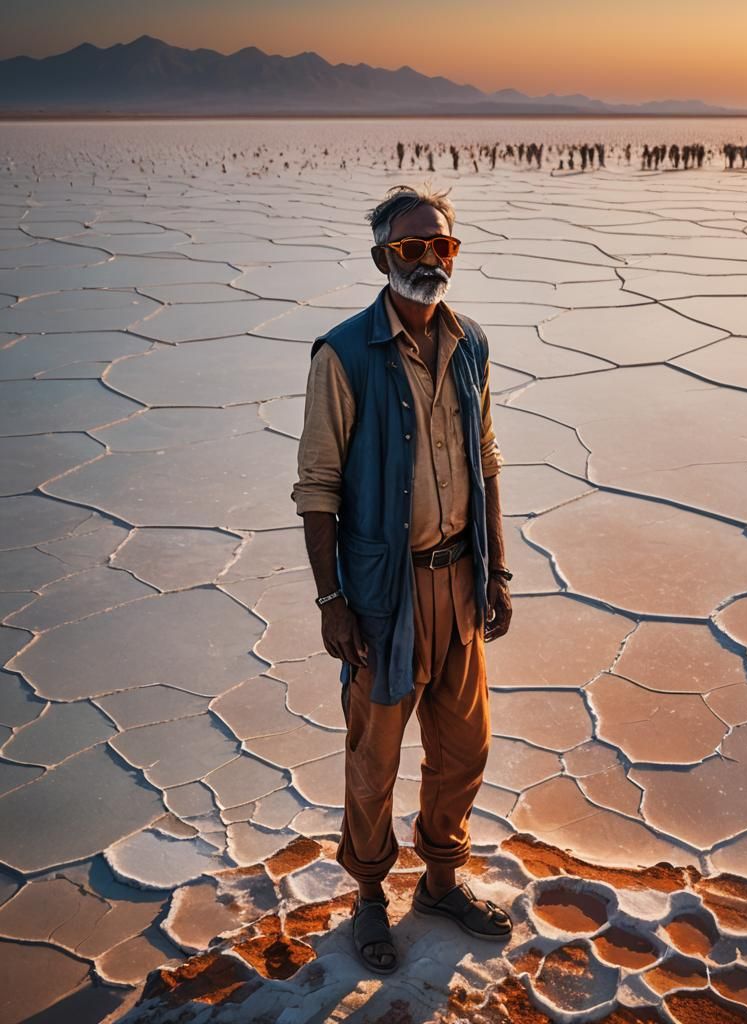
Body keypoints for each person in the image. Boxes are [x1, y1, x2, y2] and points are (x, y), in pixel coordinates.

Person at [290, 182, 514, 974]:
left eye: (442, 245)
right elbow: (317, 488)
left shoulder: (471, 344)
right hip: (385, 598)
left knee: (464, 748)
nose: (429, 260)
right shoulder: (343, 355)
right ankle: (370, 896)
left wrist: (497, 570)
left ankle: (442, 882)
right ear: (384, 255)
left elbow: (484, 460)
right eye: (413, 247)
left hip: (459, 581)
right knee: (374, 757)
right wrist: (332, 599)